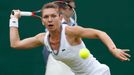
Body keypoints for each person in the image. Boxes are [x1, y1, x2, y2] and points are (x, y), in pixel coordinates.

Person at [9, 2, 130, 75]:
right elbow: (16, 44)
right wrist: (14, 20)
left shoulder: (70, 32)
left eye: (53, 16)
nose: (50, 19)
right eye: (46, 17)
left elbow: (99, 33)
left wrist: (113, 49)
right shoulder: (42, 38)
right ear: (42, 21)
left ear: (60, 17)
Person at [43, 0, 77, 75]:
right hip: (57, 63)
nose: (73, 11)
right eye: (71, 8)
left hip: (71, 63)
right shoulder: (54, 24)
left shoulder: (72, 22)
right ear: (62, 9)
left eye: (74, 8)